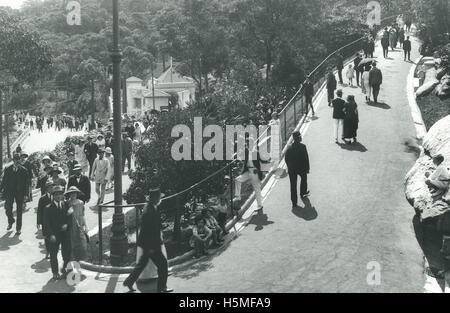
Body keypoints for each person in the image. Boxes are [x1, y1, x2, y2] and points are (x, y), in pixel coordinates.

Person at [123, 188, 173, 293]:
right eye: (159, 197)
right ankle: (162, 288)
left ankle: (129, 281)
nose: (160, 199)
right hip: (151, 244)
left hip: (147, 243)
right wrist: (152, 247)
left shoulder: (150, 208)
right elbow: (149, 230)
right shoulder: (150, 211)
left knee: (142, 264)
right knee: (163, 265)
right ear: (155, 198)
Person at [43, 185, 73, 280]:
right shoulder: (48, 208)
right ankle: (55, 273)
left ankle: (65, 269)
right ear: (53, 196)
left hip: (65, 234)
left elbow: (70, 217)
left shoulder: (66, 204)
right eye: (56, 194)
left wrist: (67, 225)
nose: (59, 196)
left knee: (66, 252)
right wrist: (50, 235)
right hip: (54, 235)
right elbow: (46, 224)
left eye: (60, 194)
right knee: (53, 254)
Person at [233, 138, 270, 210]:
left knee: (257, 189)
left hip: (255, 172)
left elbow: (263, 160)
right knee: (237, 180)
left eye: (248, 143)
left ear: (252, 144)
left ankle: (260, 205)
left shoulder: (256, 152)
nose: (247, 145)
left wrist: (267, 163)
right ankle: (238, 197)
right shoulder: (246, 151)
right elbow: (240, 155)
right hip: (248, 172)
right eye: (246, 144)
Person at [0, 154, 29, 234]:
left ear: (20, 160)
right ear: (13, 160)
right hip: (10, 192)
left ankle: (18, 228)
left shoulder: (24, 170)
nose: (16, 161)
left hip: (20, 193)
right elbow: (4, 180)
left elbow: (27, 183)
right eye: (15, 159)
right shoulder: (8, 169)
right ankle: (11, 220)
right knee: (8, 208)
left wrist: (26, 194)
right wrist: (0, 189)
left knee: (19, 210)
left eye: (18, 159)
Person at [285, 131, 310, 209]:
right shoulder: (303, 146)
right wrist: (307, 169)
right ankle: (303, 193)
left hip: (292, 169)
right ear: (298, 138)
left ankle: (294, 203)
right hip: (301, 168)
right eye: (300, 136)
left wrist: (289, 166)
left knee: (293, 186)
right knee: (304, 179)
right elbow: (306, 159)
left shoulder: (289, 147)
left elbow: (286, 159)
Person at [65, 186, 88, 261]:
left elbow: (83, 215)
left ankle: (81, 260)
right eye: (71, 193)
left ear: (77, 194)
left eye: (74, 193)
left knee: (82, 242)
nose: (73, 195)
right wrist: (68, 213)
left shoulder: (81, 203)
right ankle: (72, 264)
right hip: (71, 226)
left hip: (80, 225)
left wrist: (86, 226)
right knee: (72, 244)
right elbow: (64, 216)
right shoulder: (67, 203)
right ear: (69, 194)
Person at [37, 181, 54, 259]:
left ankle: (53, 251)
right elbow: (39, 211)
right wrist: (38, 222)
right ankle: (48, 252)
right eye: (50, 187)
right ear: (47, 189)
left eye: (52, 187)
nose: (52, 188)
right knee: (47, 237)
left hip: (54, 220)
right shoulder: (42, 198)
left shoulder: (56, 197)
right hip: (45, 221)